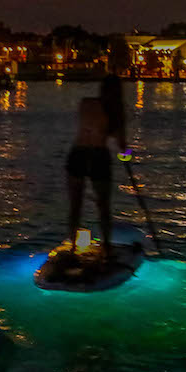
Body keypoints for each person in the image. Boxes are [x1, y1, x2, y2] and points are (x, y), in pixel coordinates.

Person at [66, 74, 128, 264]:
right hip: (98, 156)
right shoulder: (116, 111)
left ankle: (73, 247)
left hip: (77, 154)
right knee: (103, 205)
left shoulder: (86, 103)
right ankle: (107, 247)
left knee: (75, 205)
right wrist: (128, 154)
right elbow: (122, 145)